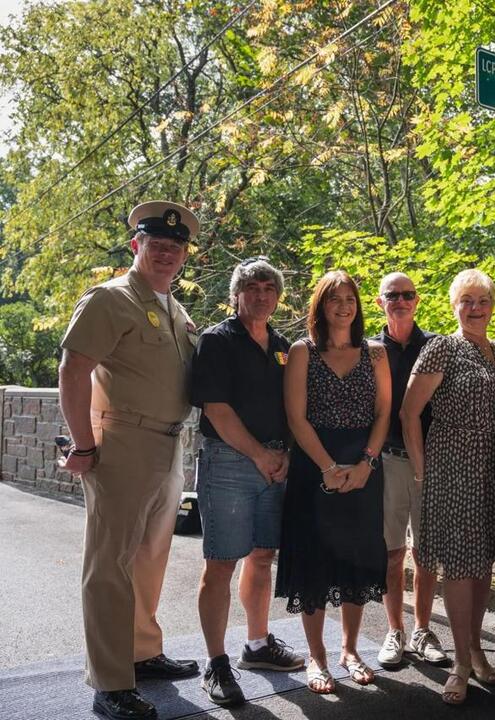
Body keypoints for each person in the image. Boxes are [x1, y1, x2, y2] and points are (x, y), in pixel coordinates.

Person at [58, 201, 202, 720]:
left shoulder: (174, 309)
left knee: (150, 557)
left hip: (169, 447)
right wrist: (83, 444)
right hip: (120, 443)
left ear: (185, 255)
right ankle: (111, 681)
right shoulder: (110, 299)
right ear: (136, 246)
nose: (166, 253)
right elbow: (73, 371)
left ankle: (141, 651)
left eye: (175, 247)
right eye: (157, 244)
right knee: (108, 564)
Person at [189, 257, 304, 707]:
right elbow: (215, 408)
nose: (261, 295)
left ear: (277, 296)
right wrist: (260, 455)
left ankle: (257, 645)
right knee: (221, 562)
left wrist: (286, 456)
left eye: (268, 289)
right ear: (236, 294)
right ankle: (215, 664)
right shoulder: (217, 341)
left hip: (275, 463)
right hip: (229, 462)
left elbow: (295, 405)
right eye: (252, 288)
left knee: (262, 556)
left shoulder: (282, 345)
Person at [400, 268, 495, 705]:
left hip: (494, 473)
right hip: (451, 472)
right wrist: (422, 470)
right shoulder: (440, 349)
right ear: (454, 306)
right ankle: (461, 665)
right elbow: (410, 414)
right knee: (460, 570)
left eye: (482, 300)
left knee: (484, 566)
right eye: (466, 300)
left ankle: (476, 650)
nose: (475, 308)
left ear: (493, 305)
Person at [275, 270, 391, 695]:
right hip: (314, 466)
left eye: (349, 299)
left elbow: (383, 413)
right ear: (320, 306)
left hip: (364, 466)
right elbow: (296, 418)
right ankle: (317, 657)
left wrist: (366, 463)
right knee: (314, 562)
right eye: (333, 299)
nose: (343, 306)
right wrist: (327, 466)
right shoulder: (302, 351)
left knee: (358, 560)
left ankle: (350, 650)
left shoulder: (376, 353)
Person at [372, 272, 448, 668]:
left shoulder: (436, 345)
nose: (401, 300)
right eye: (393, 295)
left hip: (430, 463)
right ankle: (394, 631)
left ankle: (422, 630)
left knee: (425, 554)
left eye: (408, 295)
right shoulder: (370, 350)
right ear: (380, 302)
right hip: (385, 462)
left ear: (417, 301)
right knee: (391, 552)